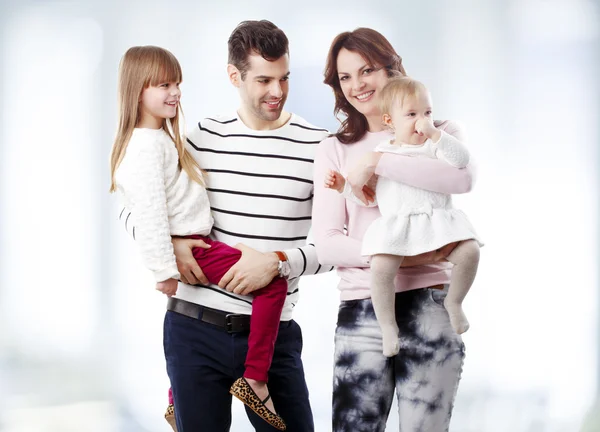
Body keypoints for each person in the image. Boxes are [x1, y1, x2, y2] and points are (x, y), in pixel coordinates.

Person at [113, 21, 330, 431]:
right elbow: (132, 204)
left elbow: (339, 247)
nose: (277, 92)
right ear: (235, 76)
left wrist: (279, 263)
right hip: (193, 328)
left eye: (284, 78)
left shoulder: (319, 146)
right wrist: (174, 244)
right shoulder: (200, 139)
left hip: (272, 336)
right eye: (264, 79)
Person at [313, 28, 474, 431]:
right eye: (345, 77)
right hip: (363, 310)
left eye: (366, 70)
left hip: (432, 308)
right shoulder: (333, 149)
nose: (357, 85)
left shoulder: (439, 132)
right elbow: (328, 245)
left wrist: (377, 162)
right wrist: (407, 254)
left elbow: (462, 180)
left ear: (392, 67)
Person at [324, 76, 482, 357]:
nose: (422, 121)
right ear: (389, 121)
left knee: (470, 251)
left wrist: (436, 134)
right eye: (411, 115)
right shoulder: (381, 153)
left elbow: (461, 161)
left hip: (436, 222)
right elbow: (365, 196)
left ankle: (455, 303)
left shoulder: (435, 146)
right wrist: (343, 187)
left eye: (427, 113)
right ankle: (387, 326)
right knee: (381, 267)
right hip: (398, 226)